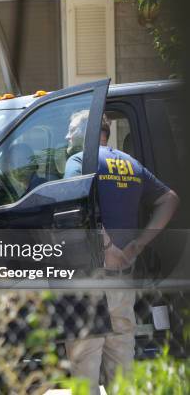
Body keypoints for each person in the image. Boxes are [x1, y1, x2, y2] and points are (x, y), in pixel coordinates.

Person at [63, 111, 179, 393]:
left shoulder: (79, 161)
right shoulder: (130, 164)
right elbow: (170, 199)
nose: (67, 136)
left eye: (71, 130)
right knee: (122, 369)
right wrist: (137, 245)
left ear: (88, 132)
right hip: (123, 280)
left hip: (89, 281)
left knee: (85, 369)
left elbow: (75, 208)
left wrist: (105, 246)